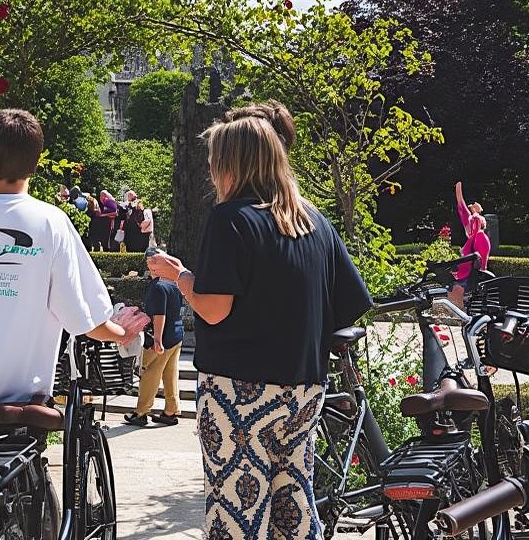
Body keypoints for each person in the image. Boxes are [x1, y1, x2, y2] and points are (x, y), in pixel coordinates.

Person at [0, 109, 149, 540]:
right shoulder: (50, 223)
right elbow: (87, 319)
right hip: (12, 404)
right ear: (36, 164)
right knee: (21, 514)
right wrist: (122, 332)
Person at [147, 104, 372, 540]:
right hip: (304, 387)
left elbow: (213, 308)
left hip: (239, 393)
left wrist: (180, 277)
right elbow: (348, 303)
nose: (211, 171)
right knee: (295, 507)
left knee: (236, 512)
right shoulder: (314, 222)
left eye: (215, 161)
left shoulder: (231, 220)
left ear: (231, 163)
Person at [125, 247, 185, 427]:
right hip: (176, 334)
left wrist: (157, 340)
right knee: (170, 373)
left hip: (162, 337)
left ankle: (141, 412)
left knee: (149, 372)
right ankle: (171, 410)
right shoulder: (174, 283)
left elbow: (160, 314)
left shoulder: (157, 286)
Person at [450, 181, 491, 306]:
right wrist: (458, 192)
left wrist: (475, 213)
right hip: (471, 275)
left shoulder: (478, 236)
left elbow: (476, 261)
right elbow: (463, 209)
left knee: (454, 290)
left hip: (472, 277)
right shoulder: (476, 237)